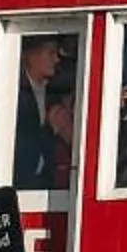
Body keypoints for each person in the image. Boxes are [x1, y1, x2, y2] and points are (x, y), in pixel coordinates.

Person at [13, 34, 75, 190]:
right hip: (19, 182)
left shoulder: (56, 92)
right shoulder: (14, 92)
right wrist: (50, 129)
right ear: (31, 55)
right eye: (51, 53)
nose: (56, 59)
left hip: (46, 184)